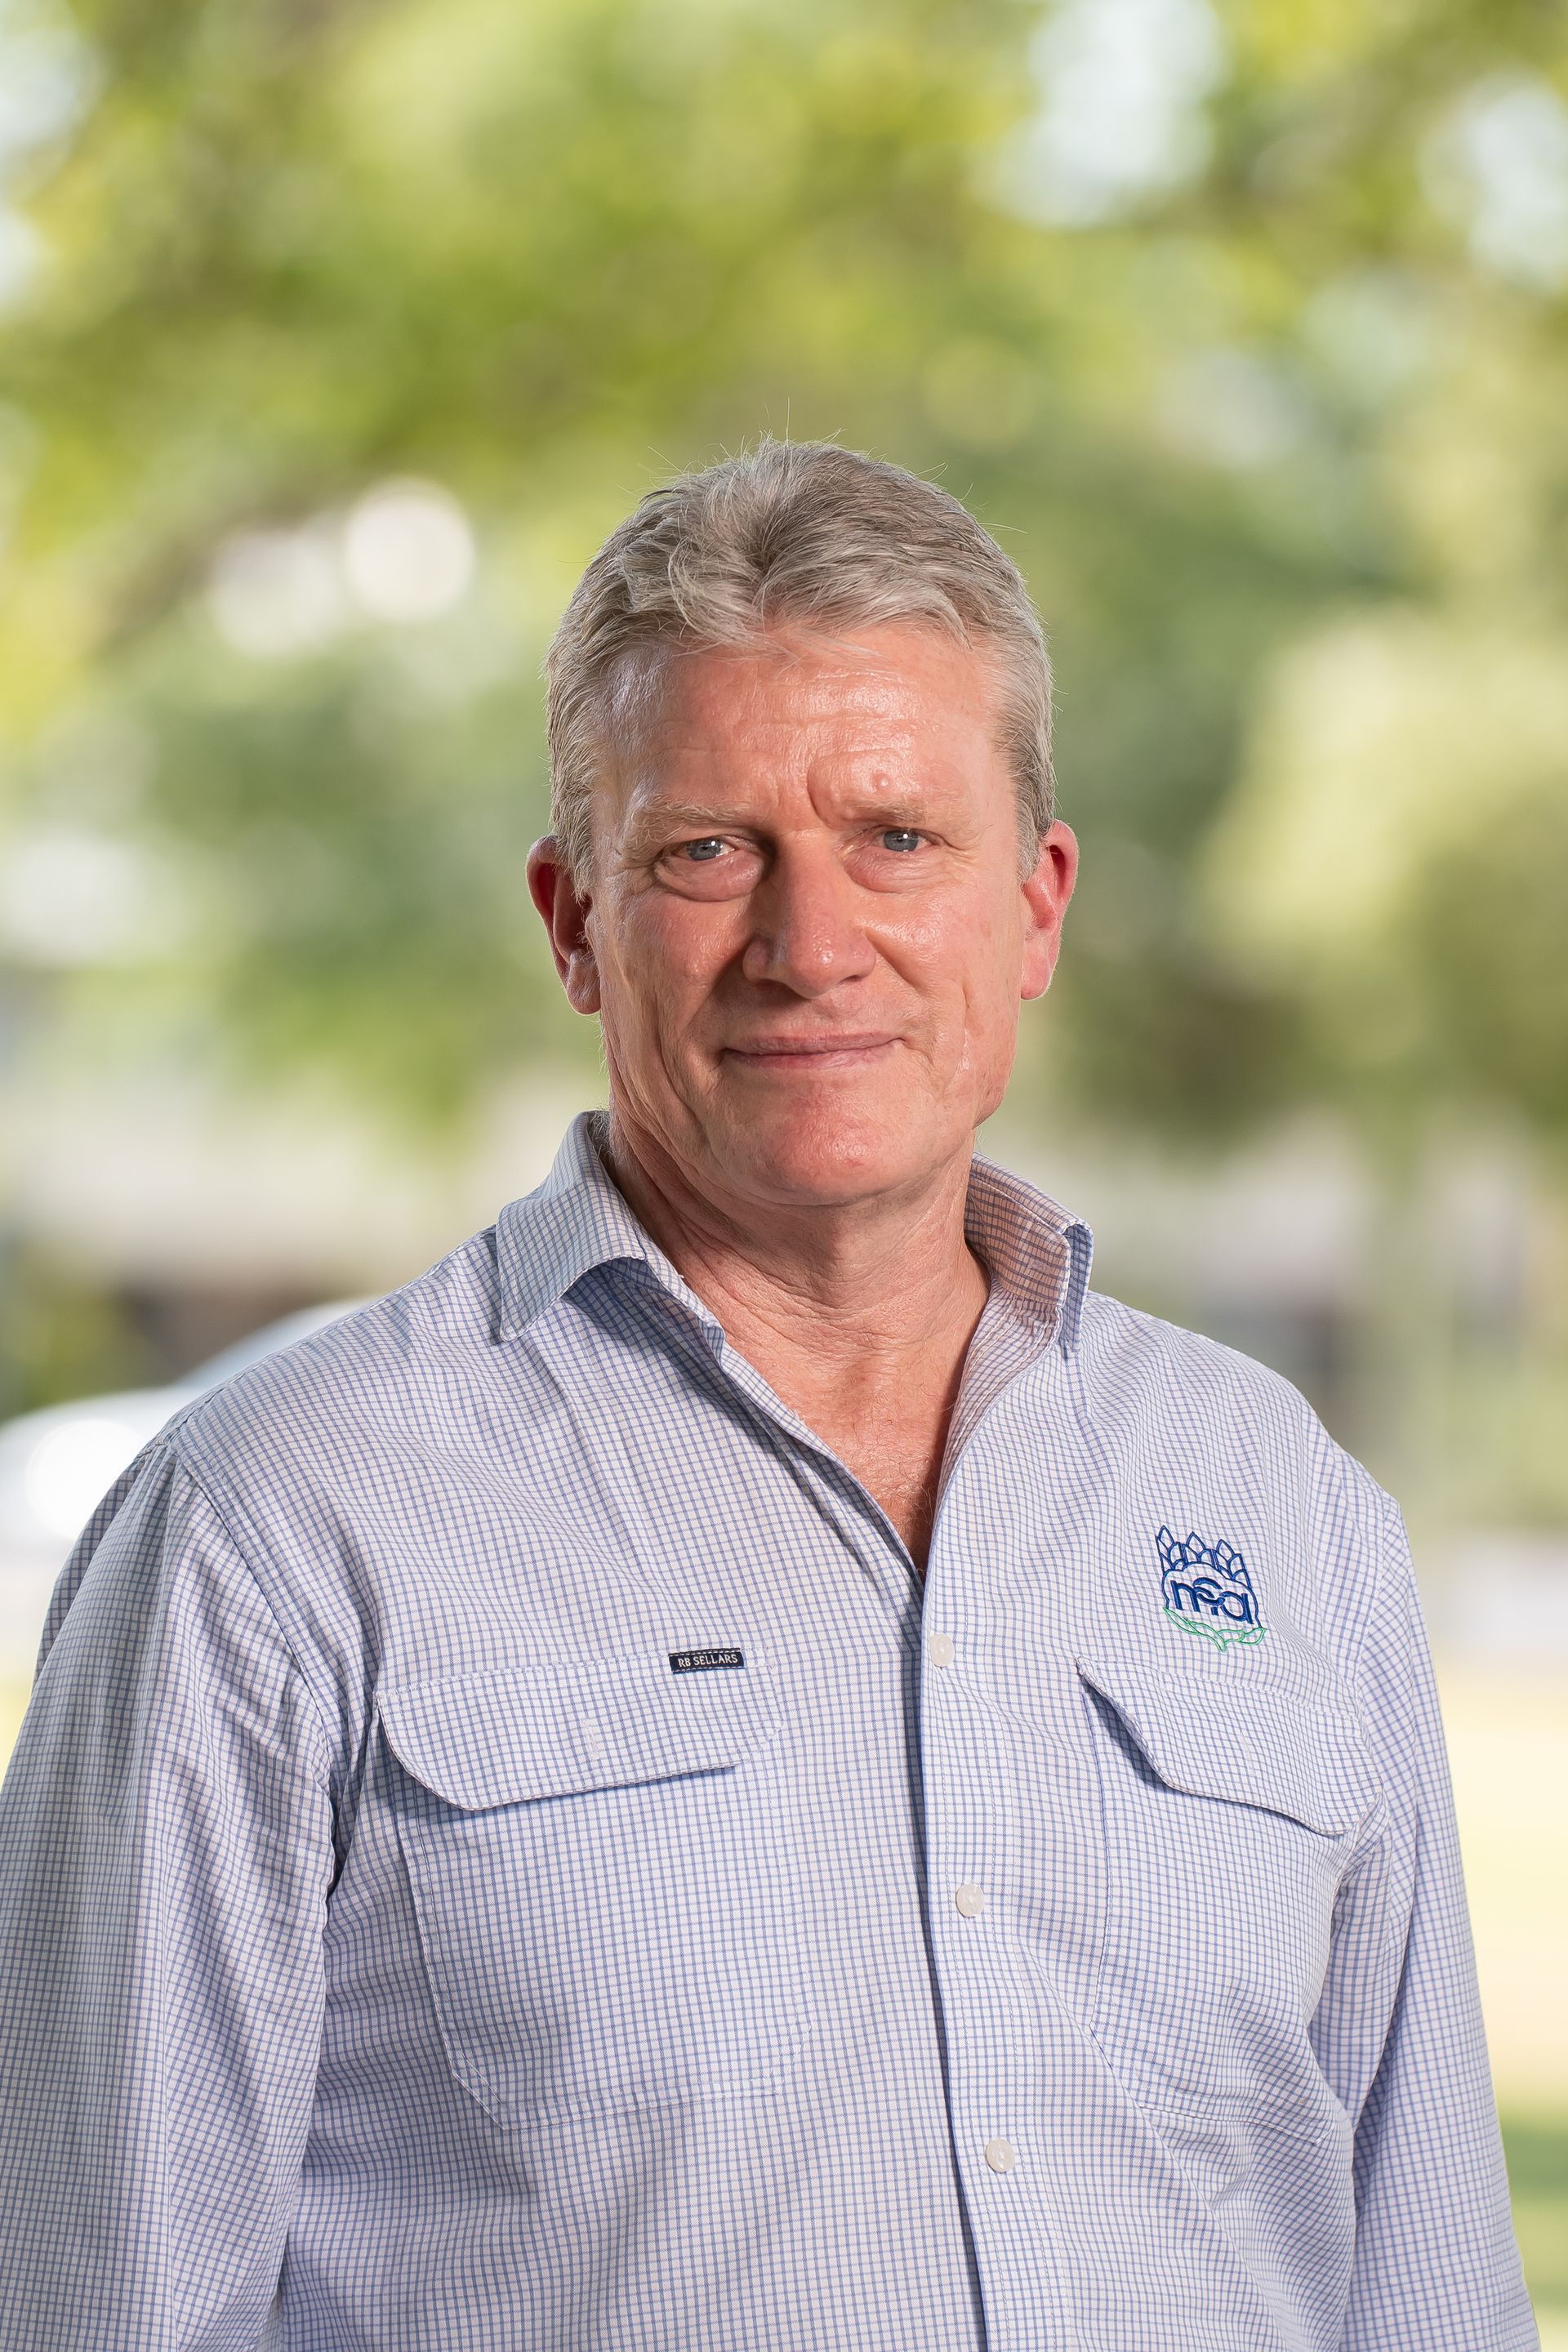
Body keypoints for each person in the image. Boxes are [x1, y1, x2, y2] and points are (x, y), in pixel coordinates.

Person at [0, 442, 1535, 2352]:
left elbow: (1427, 2293)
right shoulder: (274, 1530)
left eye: (898, 838)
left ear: (1035, 907)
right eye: (709, 852)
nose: (813, 948)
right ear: (573, 921)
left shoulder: (1282, 1506)